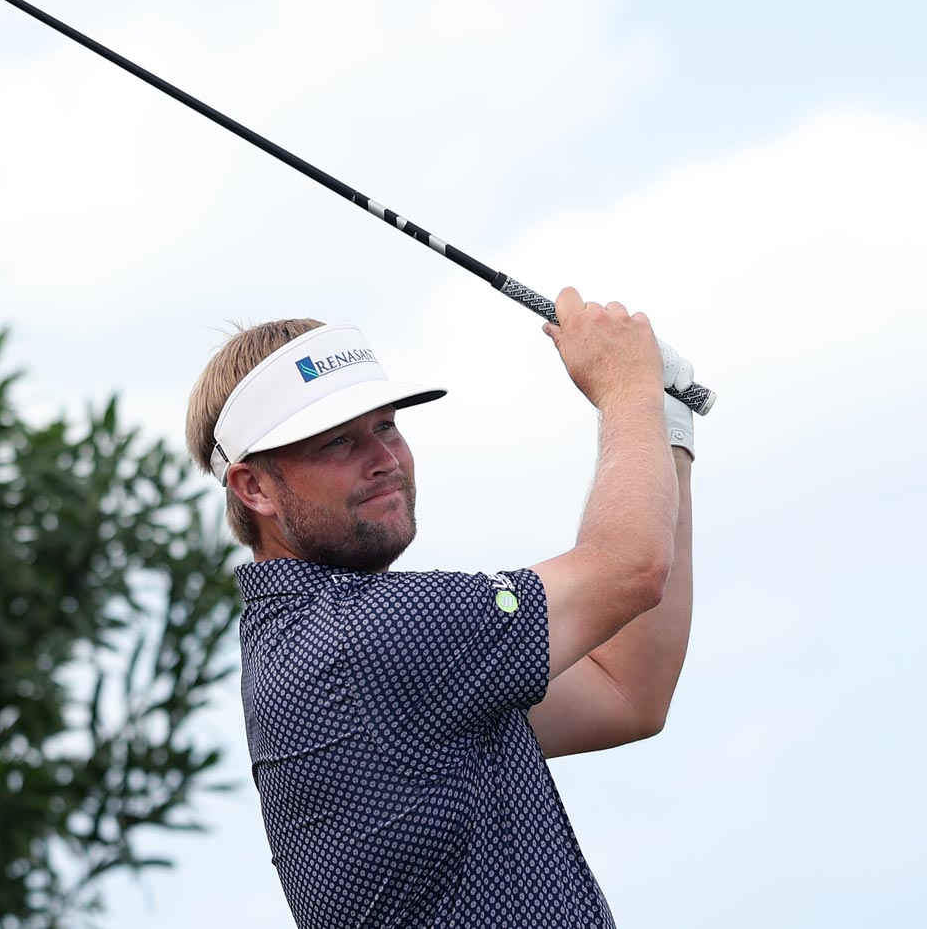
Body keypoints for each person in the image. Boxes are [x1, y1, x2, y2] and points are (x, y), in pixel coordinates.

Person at [183, 287, 697, 928]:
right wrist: (627, 388)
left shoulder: (327, 644)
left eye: (386, 426)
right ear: (253, 486)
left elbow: (626, 693)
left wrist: (666, 428)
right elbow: (629, 568)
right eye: (335, 443)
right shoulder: (363, 637)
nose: (383, 461)